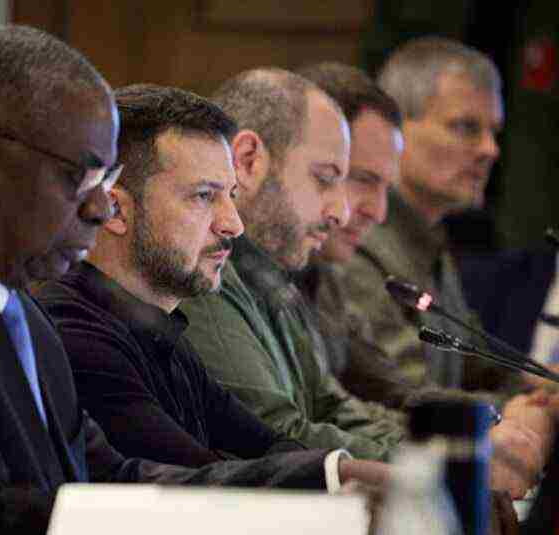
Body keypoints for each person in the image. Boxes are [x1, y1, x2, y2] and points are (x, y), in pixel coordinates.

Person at [0, 27, 345, 535]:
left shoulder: (9, 295)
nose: (101, 207)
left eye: (107, 178)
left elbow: (105, 477)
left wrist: (331, 482)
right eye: (80, 175)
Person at [178, 68, 544, 498]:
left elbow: (332, 405)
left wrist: (469, 443)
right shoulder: (204, 272)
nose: (343, 211)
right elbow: (275, 433)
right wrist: (454, 459)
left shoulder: (271, 272)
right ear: (247, 161)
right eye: (327, 178)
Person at [35, 83, 387, 491]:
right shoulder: (75, 335)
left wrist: (364, 475)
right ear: (115, 210)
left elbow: (269, 447)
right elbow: (197, 484)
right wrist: (346, 477)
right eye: (204, 196)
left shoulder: (163, 333)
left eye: (231, 196)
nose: (233, 224)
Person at [339, 36, 516, 394]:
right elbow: (409, 395)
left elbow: (479, 367)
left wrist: (542, 389)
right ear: (394, 127)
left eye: (493, 132)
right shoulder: (356, 239)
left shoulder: (430, 237)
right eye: (466, 127)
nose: (490, 149)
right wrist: (519, 413)